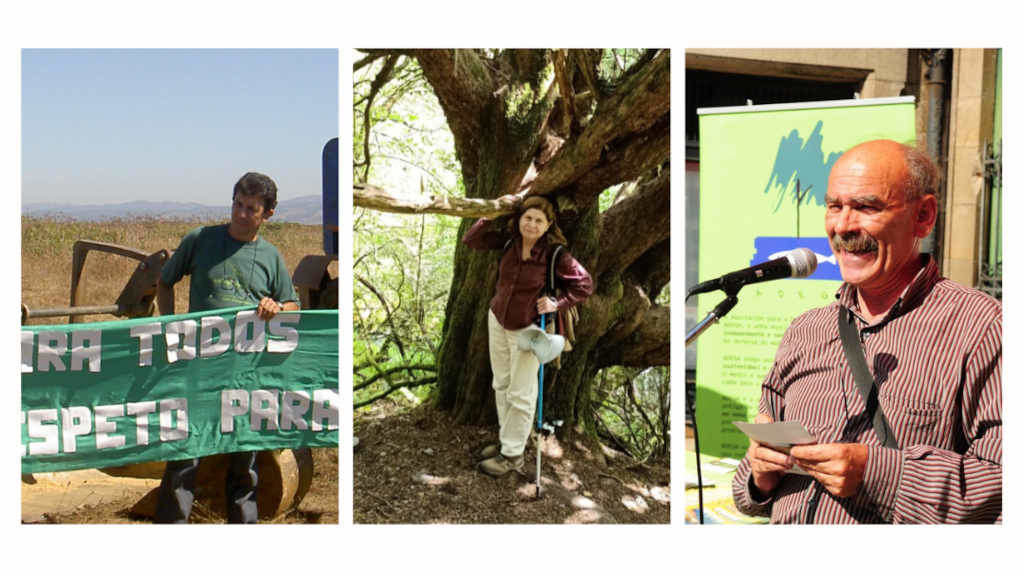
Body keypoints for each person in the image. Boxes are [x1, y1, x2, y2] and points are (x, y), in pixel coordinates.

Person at [732, 139, 1001, 523]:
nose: (843, 226)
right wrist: (759, 475)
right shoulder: (805, 331)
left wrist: (876, 474)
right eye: (834, 206)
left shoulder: (983, 328)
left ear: (924, 216)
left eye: (866, 207)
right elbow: (748, 493)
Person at [154, 172, 300, 523]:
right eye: (237, 204)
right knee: (186, 450)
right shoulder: (201, 240)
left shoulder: (270, 256)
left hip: (244, 373)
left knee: (244, 456)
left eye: (251, 208)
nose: (241, 213)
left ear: (267, 215)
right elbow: (164, 281)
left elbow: (293, 304)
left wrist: (276, 307)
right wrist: (171, 329)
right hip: (198, 366)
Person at [462, 196, 593, 477]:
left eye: (539, 220)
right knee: (502, 384)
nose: (532, 224)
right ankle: (506, 441)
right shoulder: (510, 243)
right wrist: (490, 213)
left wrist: (558, 303)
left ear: (548, 226)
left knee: (521, 393)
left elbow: (584, 284)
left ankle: (512, 456)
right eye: (527, 218)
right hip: (497, 320)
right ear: (519, 219)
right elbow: (472, 240)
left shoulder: (555, 255)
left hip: (529, 329)